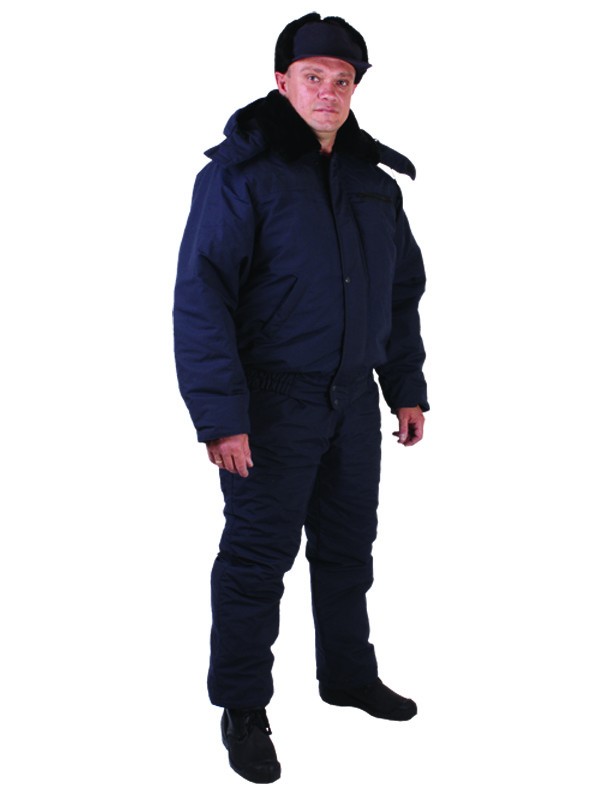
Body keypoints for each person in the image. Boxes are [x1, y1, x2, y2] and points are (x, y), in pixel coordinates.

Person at [174, 12, 429, 784]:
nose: (328, 92)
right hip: (271, 404)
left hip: (352, 402)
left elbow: (399, 295)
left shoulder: (373, 187)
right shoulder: (240, 176)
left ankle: (347, 675)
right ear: (282, 81)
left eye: (342, 80)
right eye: (313, 76)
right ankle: (242, 707)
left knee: (349, 550)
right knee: (257, 559)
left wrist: (405, 389)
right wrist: (221, 417)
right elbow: (202, 299)